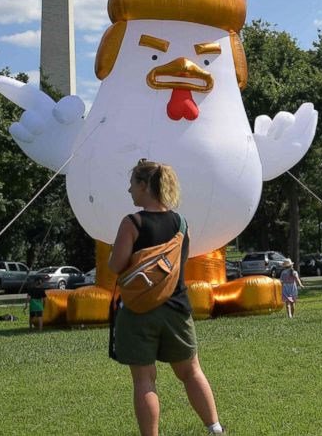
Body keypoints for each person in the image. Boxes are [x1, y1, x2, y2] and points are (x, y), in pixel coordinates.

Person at [109, 159, 225, 436]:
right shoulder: (181, 223)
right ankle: (215, 429)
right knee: (191, 371)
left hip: (138, 310)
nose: (129, 191)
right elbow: (179, 265)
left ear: (145, 185)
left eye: (132, 184)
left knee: (144, 380)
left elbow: (115, 265)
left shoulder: (132, 222)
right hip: (176, 308)